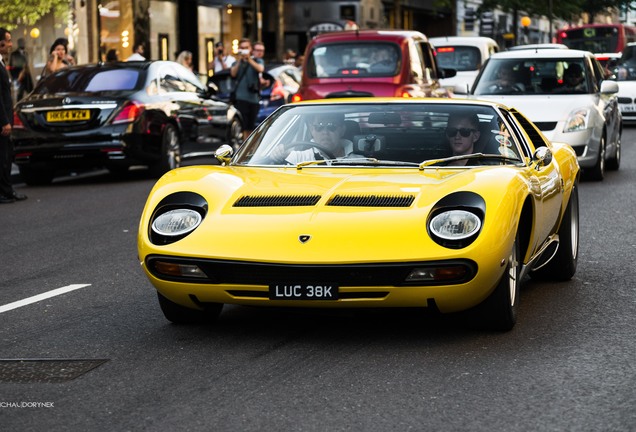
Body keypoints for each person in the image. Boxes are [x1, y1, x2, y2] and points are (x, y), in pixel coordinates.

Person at [269, 112, 359, 164]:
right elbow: (282, 157)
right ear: (312, 130)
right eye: (319, 127)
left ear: (342, 130)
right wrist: (278, 153)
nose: (325, 132)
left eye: (331, 126)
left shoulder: (361, 161)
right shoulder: (300, 158)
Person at [0, 28, 26, 203]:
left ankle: (7, 191)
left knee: (7, 156)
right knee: (2, 158)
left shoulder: (1, 62)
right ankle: (3, 192)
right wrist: (4, 122)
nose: (10, 44)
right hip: (2, 121)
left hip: (6, 117)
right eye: (8, 41)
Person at [230, 39, 264, 140]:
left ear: (250, 49)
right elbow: (233, 73)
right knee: (243, 126)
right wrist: (240, 60)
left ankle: (248, 148)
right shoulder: (236, 62)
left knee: (251, 126)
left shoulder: (257, 60)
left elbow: (260, 69)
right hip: (241, 99)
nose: (244, 50)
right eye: (242, 48)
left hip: (254, 99)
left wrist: (249, 59)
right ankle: (244, 149)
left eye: (246, 48)